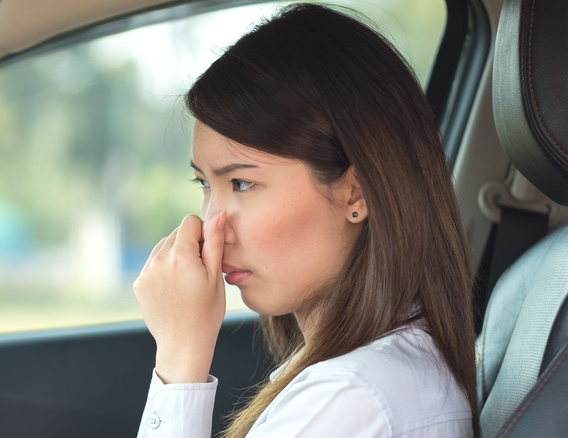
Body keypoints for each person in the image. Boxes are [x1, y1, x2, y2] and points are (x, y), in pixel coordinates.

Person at [133, 3, 479, 437]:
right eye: (203, 183)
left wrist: (180, 361)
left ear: (357, 192)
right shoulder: (370, 374)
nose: (210, 228)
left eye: (241, 183)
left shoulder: (349, 399)